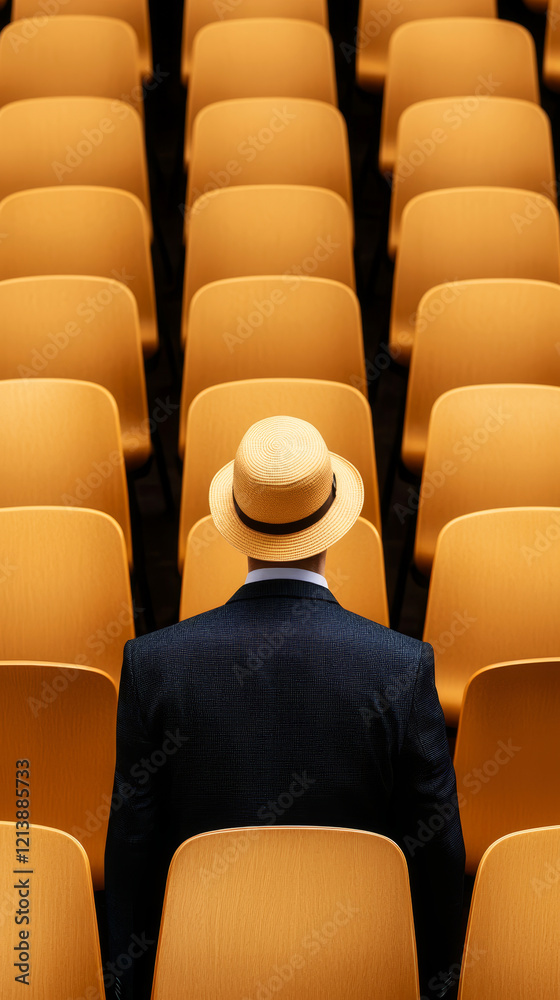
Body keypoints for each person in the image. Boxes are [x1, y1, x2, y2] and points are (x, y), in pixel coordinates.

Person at [105, 415, 465, 999]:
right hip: (361, 964)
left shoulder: (154, 665)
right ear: (331, 529)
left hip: (202, 965)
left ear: (235, 531)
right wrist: (432, 984)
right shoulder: (402, 665)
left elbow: (131, 854)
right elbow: (437, 853)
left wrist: (136, 986)